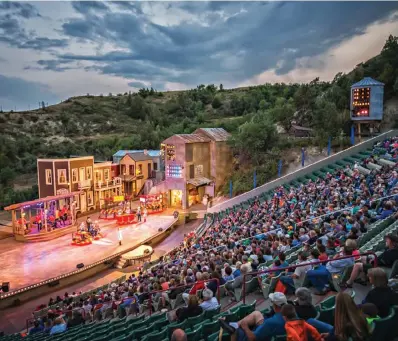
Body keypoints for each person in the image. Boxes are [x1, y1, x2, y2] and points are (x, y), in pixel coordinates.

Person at [219, 292, 287, 341]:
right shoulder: (291, 314)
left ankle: (233, 329)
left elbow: (252, 338)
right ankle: (235, 324)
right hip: (272, 332)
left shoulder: (270, 322)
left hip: (256, 337)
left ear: (275, 305)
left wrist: (245, 327)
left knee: (235, 331)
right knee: (257, 314)